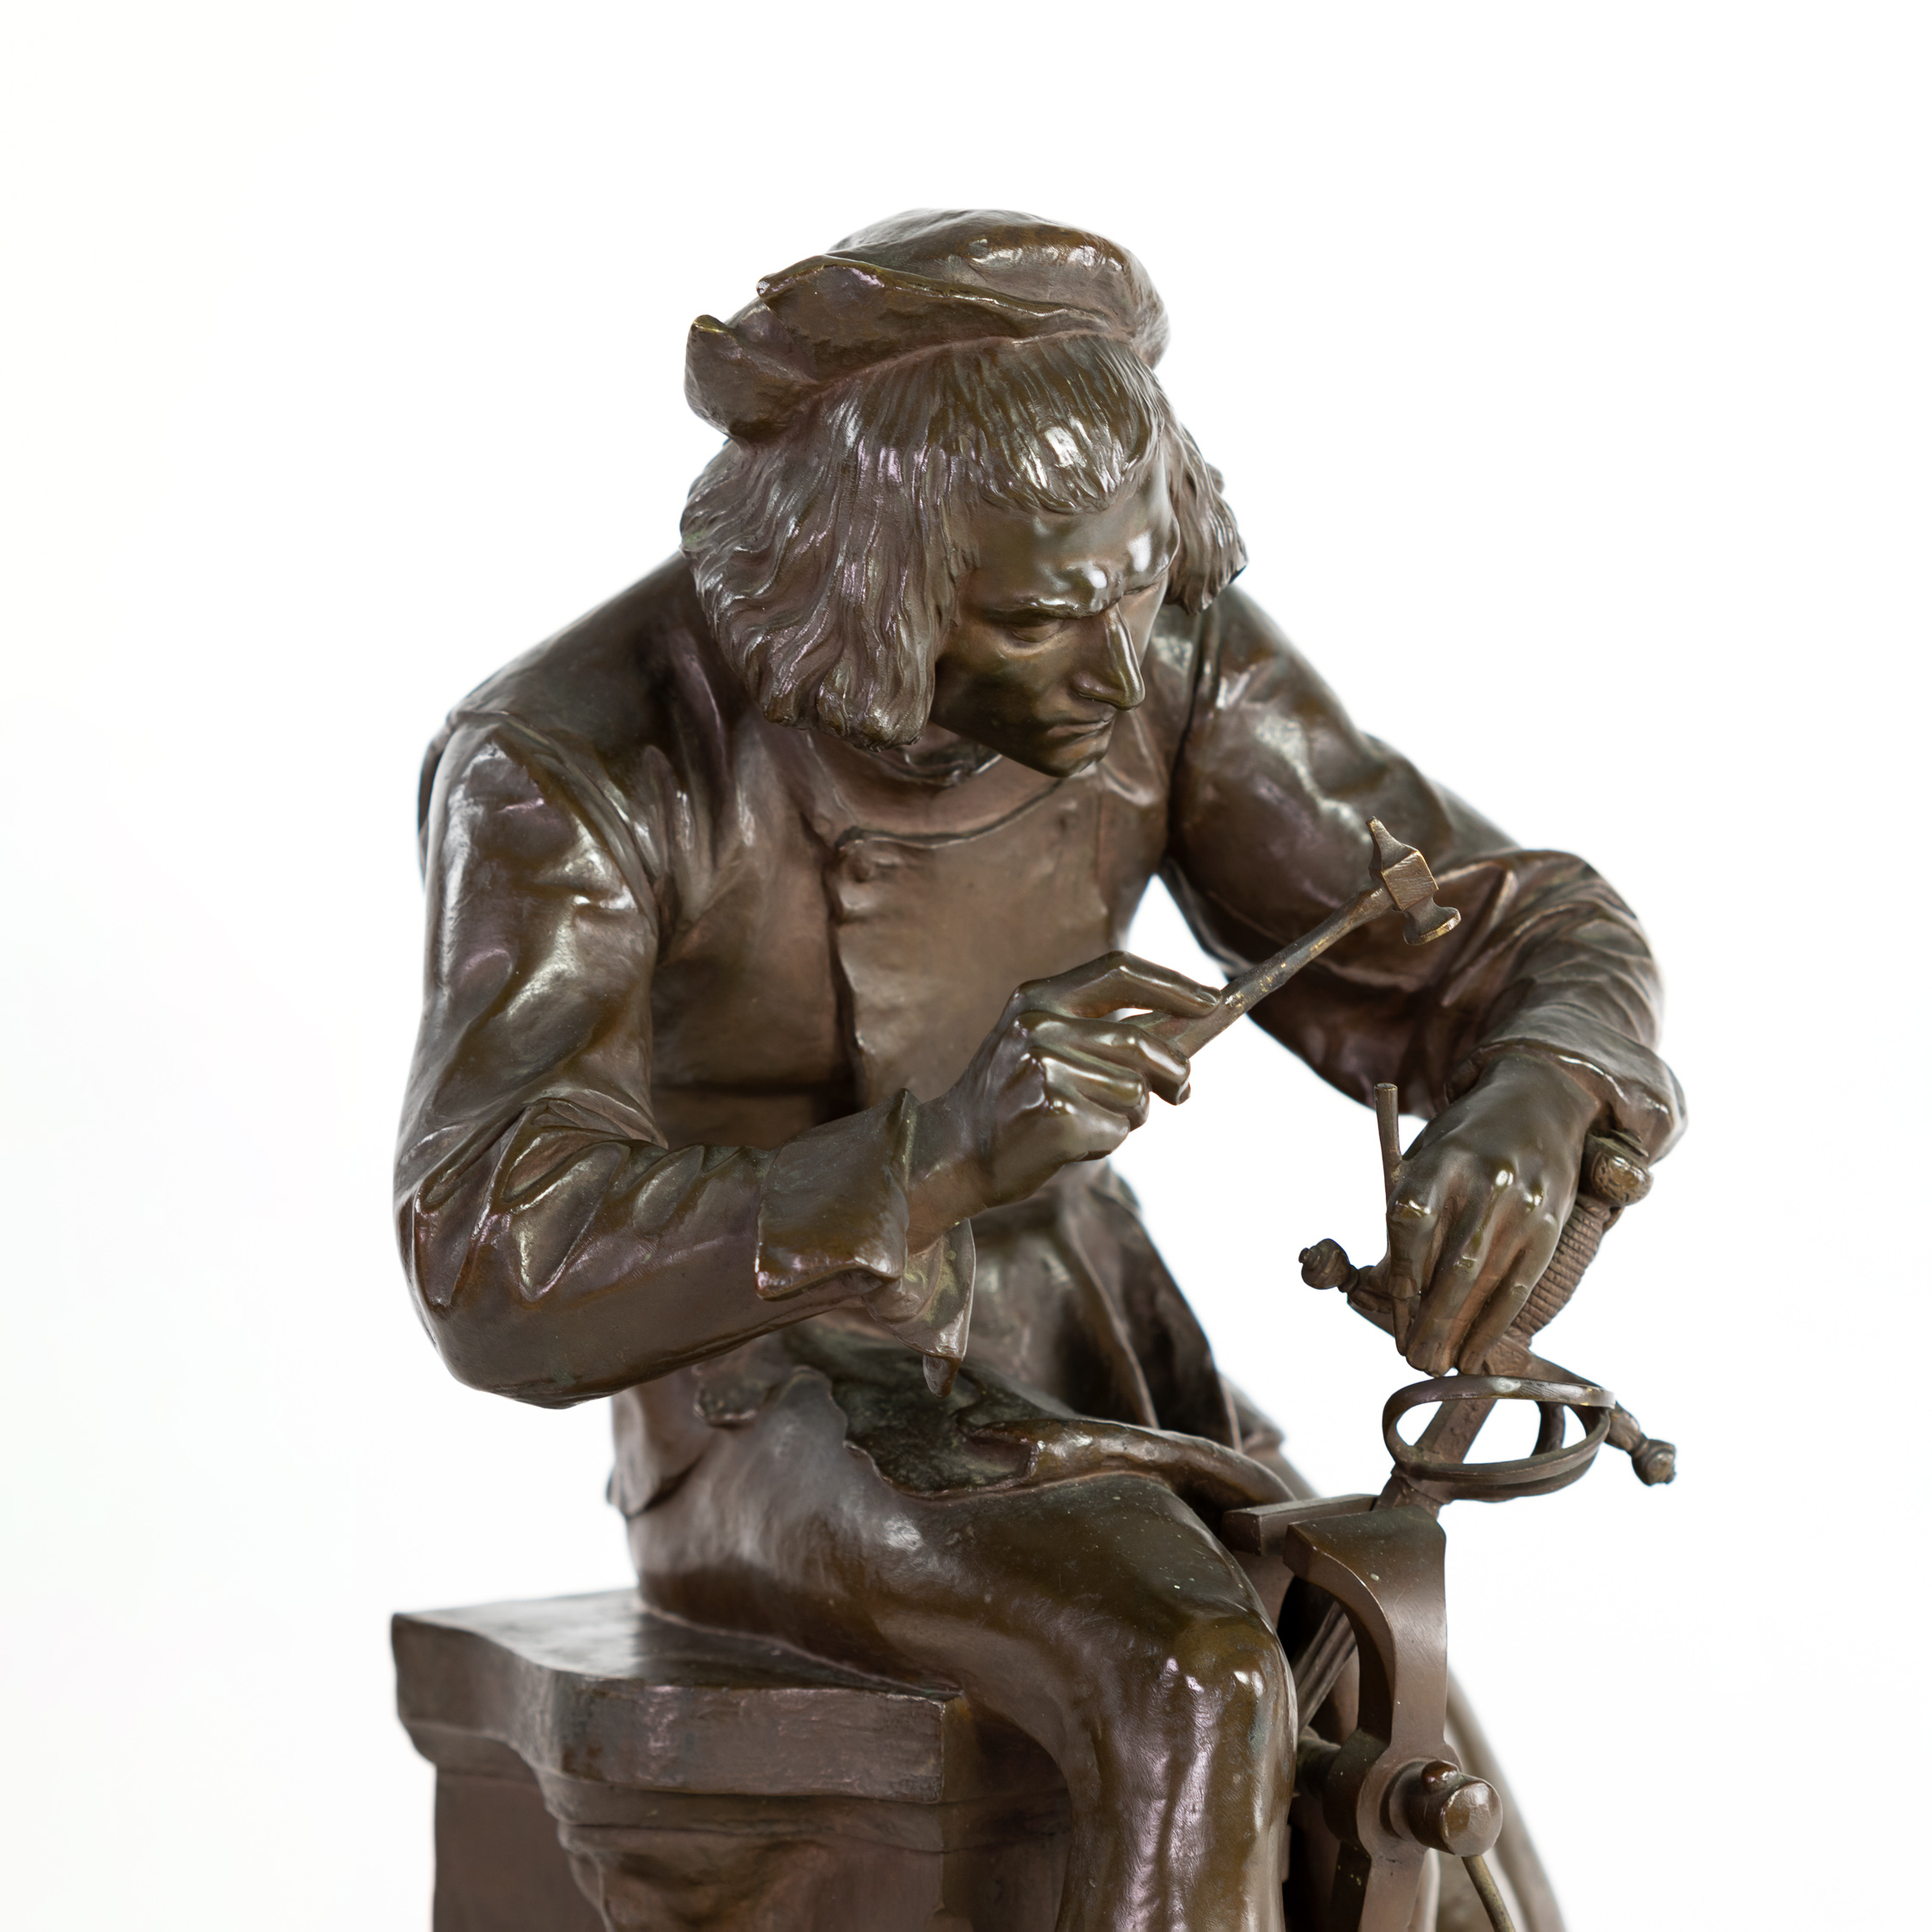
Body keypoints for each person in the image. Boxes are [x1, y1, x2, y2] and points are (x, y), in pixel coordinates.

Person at [396, 210, 1682, 1931]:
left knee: (1391, 1725)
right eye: (1032, 621)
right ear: (869, 586)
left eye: (1140, 589)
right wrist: (937, 1153)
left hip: (1097, 1346)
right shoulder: (575, 761)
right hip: (764, 1392)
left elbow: (1509, 930)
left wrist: (1540, 1087)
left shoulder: (1151, 648)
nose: (1119, 667)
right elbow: (491, 1247)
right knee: (1197, 1680)